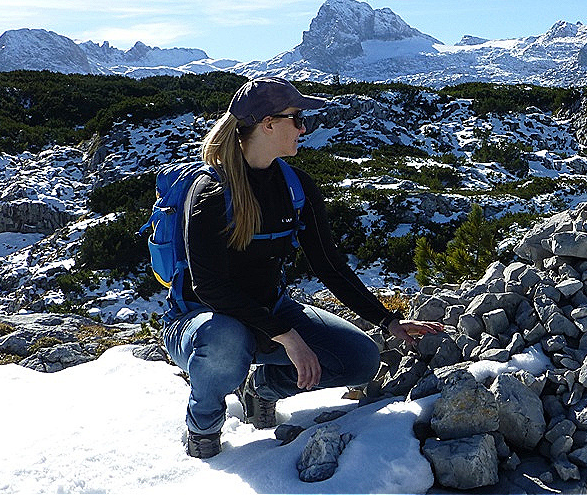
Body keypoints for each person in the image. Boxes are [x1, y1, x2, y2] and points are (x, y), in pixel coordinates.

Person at [160, 76, 443, 458]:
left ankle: (262, 388)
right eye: (296, 118)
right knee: (227, 341)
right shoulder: (211, 192)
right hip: (204, 320)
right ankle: (204, 427)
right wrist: (288, 337)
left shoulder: (296, 185)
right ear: (268, 124)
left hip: (271, 310)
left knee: (360, 358)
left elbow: (330, 265)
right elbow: (209, 287)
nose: (303, 128)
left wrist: (386, 321)